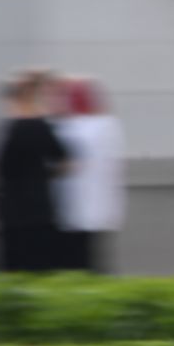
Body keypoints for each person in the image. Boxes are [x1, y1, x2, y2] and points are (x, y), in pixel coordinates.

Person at [0, 72, 68, 272]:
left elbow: (0, 168)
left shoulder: (7, 128)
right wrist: (43, 176)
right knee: (40, 266)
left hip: (11, 207)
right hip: (39, 206)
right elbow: (63, 160)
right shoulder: (42, 127)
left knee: (13, 266)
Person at [51, 77, 125, 272]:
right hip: (98, 207)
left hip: (70, 208)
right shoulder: (108, 126)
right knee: (93, 259)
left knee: (75, 261)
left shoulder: (68, 128)